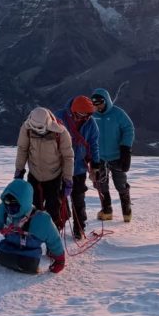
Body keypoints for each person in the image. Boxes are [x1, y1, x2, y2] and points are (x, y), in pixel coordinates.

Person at [0, 178, 65, 274]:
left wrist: (59, 260)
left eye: (13, 205)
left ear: (24, 202)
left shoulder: (41, 220)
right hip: (5, 254)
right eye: (6, 203)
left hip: (28, 259)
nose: (9, 208)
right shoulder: (3, 210)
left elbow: (54, 240)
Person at [14, 107, 74, 226]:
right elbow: (22, 149)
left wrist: (67, 179)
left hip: (54, 178)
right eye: (34, 128)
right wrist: (19, 170)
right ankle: (34, 233)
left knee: (53, 211)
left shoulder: (61, 133)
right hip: (34, 176)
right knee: (32, 209)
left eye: (39, 128)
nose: (36, 131)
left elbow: (68, 157)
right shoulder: (26, 128)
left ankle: (53, 233)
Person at [54, 96, 102, 239]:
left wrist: (95, 164)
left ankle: (79, 228)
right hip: (60, 167)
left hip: (79, 168)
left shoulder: (91, 123)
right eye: (82, 114)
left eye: (88, 115)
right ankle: (58, 225)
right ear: (73, 111)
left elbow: (94, 144)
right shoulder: (58, 117)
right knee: (58, 199)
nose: (85, 117)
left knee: (78, 199)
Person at [90, 88, 135, 222]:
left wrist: (126, 148)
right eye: (95, 104)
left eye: (100, 103)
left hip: (117, 156)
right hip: (99, 157)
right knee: (101, 184)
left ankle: (127, 211)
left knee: (120, 184)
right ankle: (107, 211)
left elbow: (129, 129)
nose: (98, 106)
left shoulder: (117, 113)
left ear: (106, 101)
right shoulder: (92, 115)